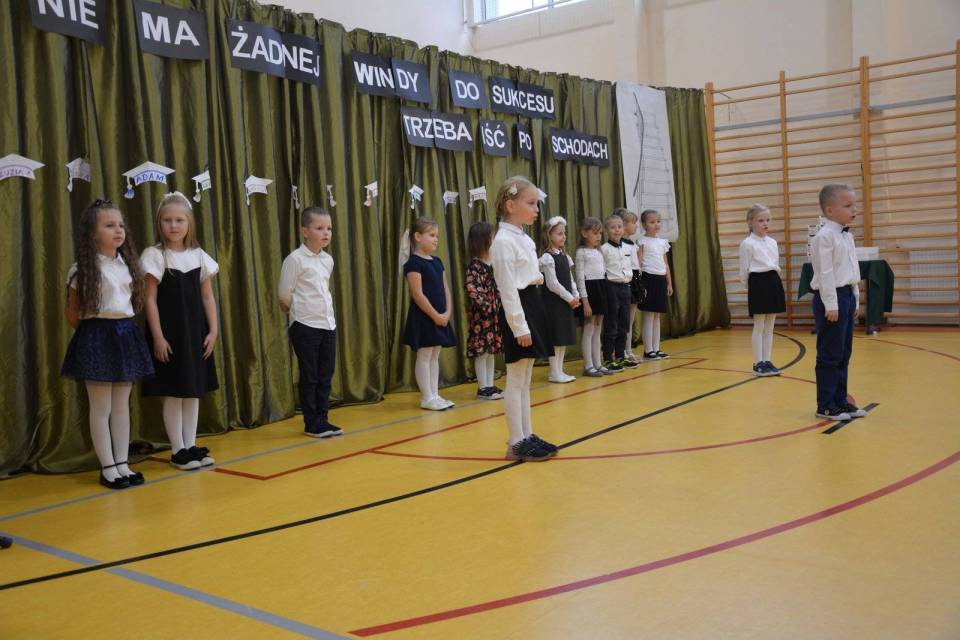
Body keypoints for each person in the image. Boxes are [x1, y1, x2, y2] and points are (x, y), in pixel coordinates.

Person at [61, 199, 154, 489]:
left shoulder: (128, 265)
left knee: (121, 405)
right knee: (101, 407)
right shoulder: (82, 270)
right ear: (92, 234)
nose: (118, 230)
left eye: (121, 225)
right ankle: (108, 467)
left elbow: (132, 302)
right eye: (109, 225)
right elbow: (72, 313)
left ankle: (123, 463)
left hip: (124, 335)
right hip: (97, 336)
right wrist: (93, 335)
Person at [142, 192, 220, 469]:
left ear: (189, 223)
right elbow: (149, 299)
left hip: (195, 333)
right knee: (175, 392)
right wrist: (158, 336)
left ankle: (190, 444)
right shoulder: (154, 255)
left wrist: (213, 330)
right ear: (159, 223)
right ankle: (178, 449)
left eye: (179, 220)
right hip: (171, 334)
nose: (174, 225)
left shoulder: (198, 255)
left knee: (192, 390)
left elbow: (207, 297)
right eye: (167, 220)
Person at [490, 176, 557, 461]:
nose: (536, 209)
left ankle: (527, 434)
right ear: (510, 205)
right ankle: (516, 442)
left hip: (533, 302)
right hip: (519, 308)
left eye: (536, 204)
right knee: (516, 378)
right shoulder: (503, 242)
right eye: (530, 203)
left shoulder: (523, 238)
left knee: (526, 378)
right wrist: (519, 326)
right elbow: (507, 289)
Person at [278, 207, 343, 438]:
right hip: (305, 325)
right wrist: (297, 310)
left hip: (327, 324)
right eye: (319, 228)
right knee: (310, 375)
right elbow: (284, 293)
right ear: (305, 231)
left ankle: (323, 419)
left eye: (329, 229)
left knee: (326, 374)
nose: (326, 233)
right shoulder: (295, 259)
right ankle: (311, 422)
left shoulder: (327, 260)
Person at [809, 184, 867, 421]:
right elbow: (825, 273)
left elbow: (852, 270)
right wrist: (831, 304)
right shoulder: (823, 237)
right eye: (848, 205)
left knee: (843, 353)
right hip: (830, 298)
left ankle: (841, 401)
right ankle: (825, 405)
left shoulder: (847, 236)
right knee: (829, 354)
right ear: (830, 210)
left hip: (846, 297)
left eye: (855, 205)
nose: (855, 210)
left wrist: (855, 298)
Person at [402, 217, 457, 411]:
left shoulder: (437, 262)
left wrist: (447, 312)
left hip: (440, 316)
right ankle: (426, 397)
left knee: (435, 355)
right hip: (424, 317)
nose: (436, 239)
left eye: (437, 236)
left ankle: (435, 394)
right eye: (432, 235)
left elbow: (445, 289)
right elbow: (417, 294)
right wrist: (435, 316)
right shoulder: (413, 264)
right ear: (418, 237)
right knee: (425, 355)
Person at [738, 204, 785, 377]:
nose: (765, 223)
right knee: (759, 325)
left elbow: (775, 263)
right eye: (760, 220)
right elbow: (744, 270)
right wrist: (749, 287)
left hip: (773, 281)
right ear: (750, 222)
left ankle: (767, 360)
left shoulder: (772, 242)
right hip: (758, 283)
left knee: (770, 326)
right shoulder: (747, 244)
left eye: (767, 220)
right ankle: (758, 363)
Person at [464, 221, 504, 400]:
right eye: (492, 237)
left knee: (490, 351)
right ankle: (483, 387)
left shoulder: (493, 264)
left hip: (494, 315)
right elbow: (473, 290)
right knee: (481, 352)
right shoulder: (475, 266)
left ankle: (490, 385)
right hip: (482, 317)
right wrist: (487, 307)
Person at [539, 216, 580, 383]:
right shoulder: (547, 258)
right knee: (555, 338)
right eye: (559, 233)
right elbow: (553, 284)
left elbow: (570, 279)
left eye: (564, 233)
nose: (563, 236)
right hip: (554, 303)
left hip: (566, 302)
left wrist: (575, 294)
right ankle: (554, 372)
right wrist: (569, 298)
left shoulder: (565, 256)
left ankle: (559, 370)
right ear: (549, 235)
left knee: (562, 338)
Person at [600, 213, 638, 371]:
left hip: (625, 287)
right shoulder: (604, 249)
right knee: (612, 324)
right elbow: (601, 271)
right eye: (613, 227)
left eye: (619, 227)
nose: (617, 230)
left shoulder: (628, 248)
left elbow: (631, 267)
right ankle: (608, 358)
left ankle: (621, 356)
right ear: (605, 230)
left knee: (624, 323)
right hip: (611, 287)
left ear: (623, 229)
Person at [574, 217, 608, 377]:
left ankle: (597, 363)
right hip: (589, 290)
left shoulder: (599, 251)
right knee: (588, 328)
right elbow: (580, 278)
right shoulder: (581, 252)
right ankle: (588, 365)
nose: (598, 236)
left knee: (598, 328)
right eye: (595, 233)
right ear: (584, 233)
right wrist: (585, 301)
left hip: (601, 288)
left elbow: (603, 273)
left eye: (600, 233)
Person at [637, 210, 673, 360]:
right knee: (649, 316)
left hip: (660, 279)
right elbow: (639, 264)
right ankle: (648, 350)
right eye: (652, 222)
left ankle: (656, 348)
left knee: (657, 316)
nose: (656, 224)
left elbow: (666, 264)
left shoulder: (662, 242)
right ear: (644, 224)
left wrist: (669, 283)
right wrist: (640, 284)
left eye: (658, 221)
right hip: (648, 278)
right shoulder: (642, 241)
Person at [618, 209, 643, 364]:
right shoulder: (620, 244)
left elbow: (637, 264)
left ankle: (628, 350)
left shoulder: (633, 244)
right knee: (624, 319)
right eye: (633, 223)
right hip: (625, 279)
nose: (636, 226)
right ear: (624, 225)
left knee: (630, 319)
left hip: (635, 278)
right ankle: (622, 352)